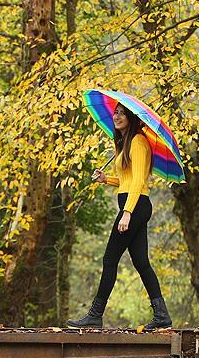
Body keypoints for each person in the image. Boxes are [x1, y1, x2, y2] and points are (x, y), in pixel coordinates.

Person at [67, 103, 173, 330]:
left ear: (131, 118)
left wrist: (127, 213)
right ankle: (161, 314)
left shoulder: (138, 142)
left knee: (109, 258)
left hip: (135, 206)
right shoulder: (126, 143)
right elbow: (126, 180)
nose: (117, 116)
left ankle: (95, 315)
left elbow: (138, 182)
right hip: (133, 204)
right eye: (116, 112)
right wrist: (107, 179)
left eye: (122, 113)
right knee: (141, 262)